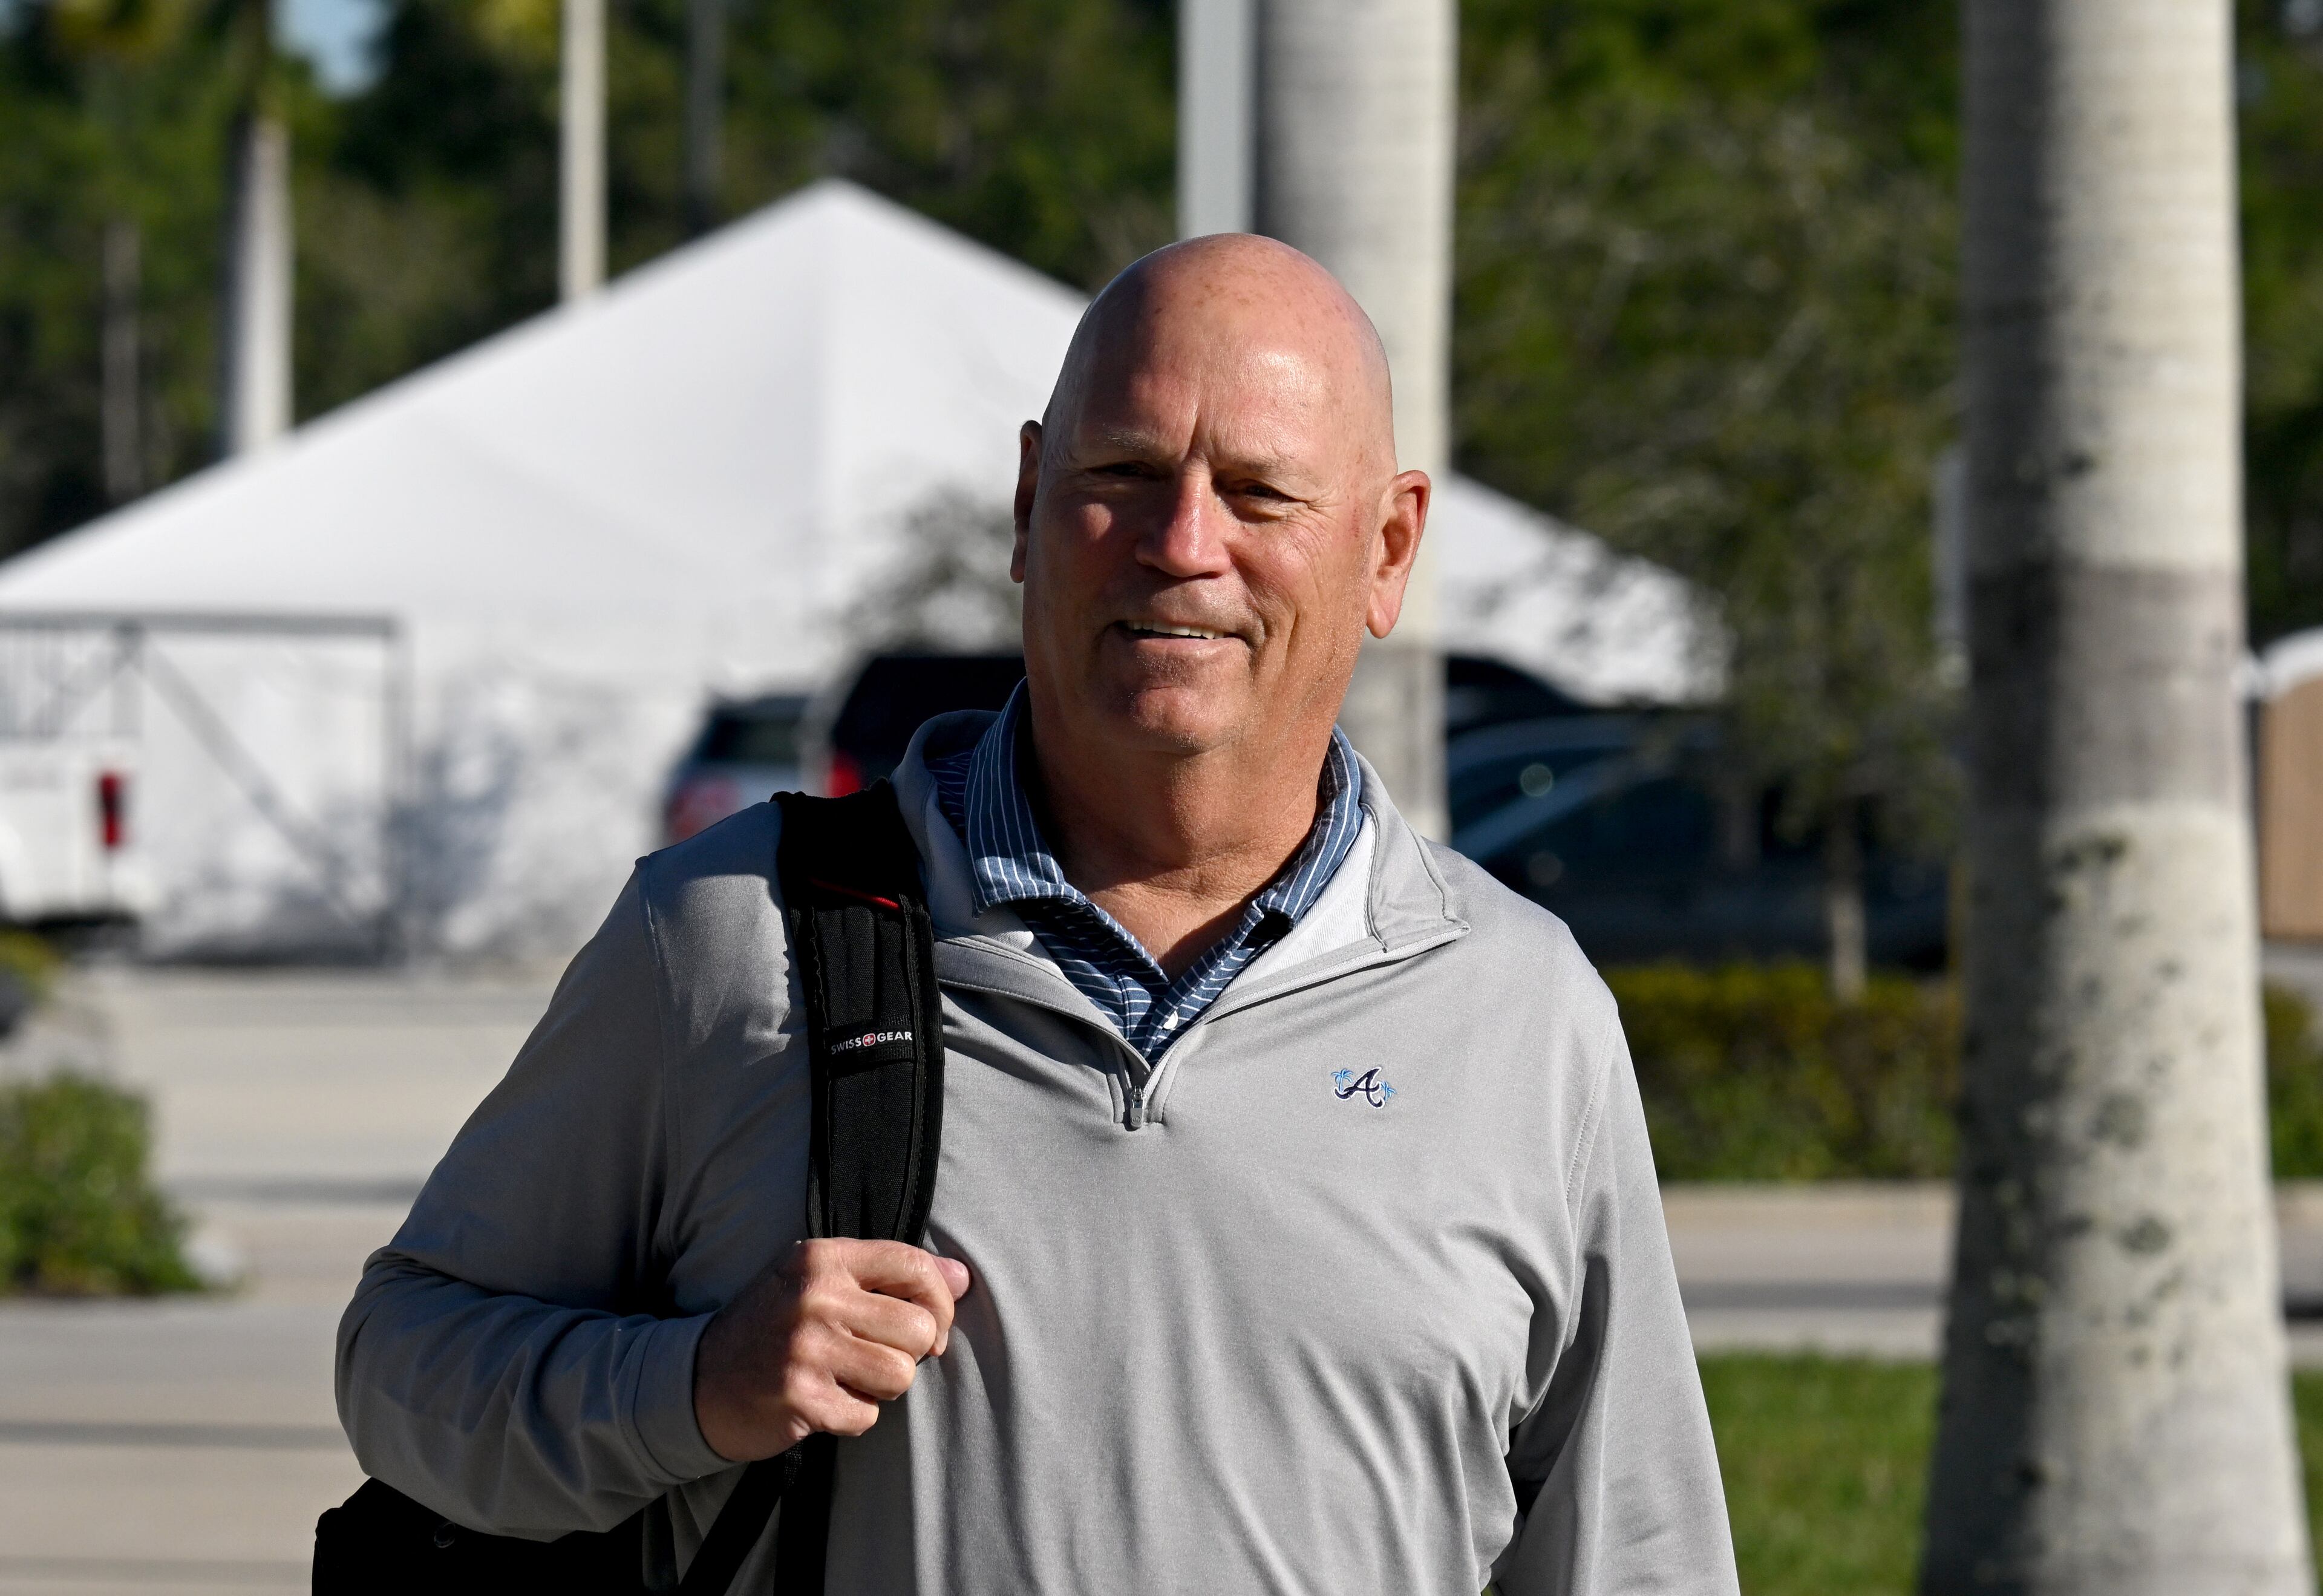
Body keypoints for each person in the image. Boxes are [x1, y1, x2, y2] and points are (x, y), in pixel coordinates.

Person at [338, 234, 1739, 1594]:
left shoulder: (1519, 1011)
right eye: (1124, 473)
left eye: (1261, 494)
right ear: (1026, 503)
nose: (1183, 544)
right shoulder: (730, 932)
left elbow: (1638, 1552)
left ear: (1387, 548)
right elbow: (403, 1366)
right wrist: (689, 1387)